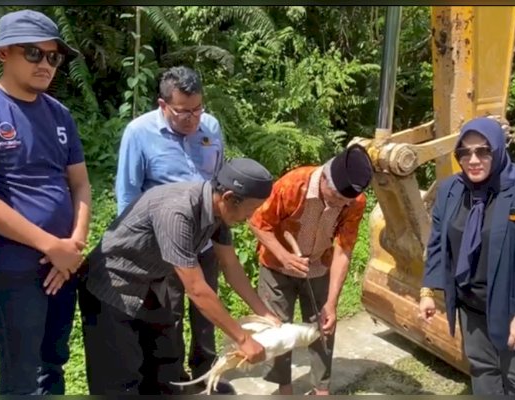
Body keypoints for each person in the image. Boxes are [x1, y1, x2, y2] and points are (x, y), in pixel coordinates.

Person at [78, 158, 281, 395]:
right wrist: (243, 339)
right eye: (250, 209)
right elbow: (196, 289)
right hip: (112, 288)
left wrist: (264, 313)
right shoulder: (177, 211)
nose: (249, 217)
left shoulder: (219, 212)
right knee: (120, 379)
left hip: (151, 287)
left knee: (164, 366)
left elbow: (230, 264)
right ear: (227, 197)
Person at [0, 10, 91, 395]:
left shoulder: (60, 115)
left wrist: (73, 245)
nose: (46, 64)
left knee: (53, 364)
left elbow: (81, 185)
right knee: (21, 375)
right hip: (14, 268)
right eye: (33, 53)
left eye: (53, 56)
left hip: (63, 266)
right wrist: (50, 246)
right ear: (4, 53)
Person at [418, 117, 515, 395]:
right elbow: (438, 242)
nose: (473, 159)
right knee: (482, 369)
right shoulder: (451, 189)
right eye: (465, 152)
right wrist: (428, 289)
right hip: (474, 307)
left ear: (498, 150)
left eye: (483, 151)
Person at [115, 66, 227, 393]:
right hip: (164, 248)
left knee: (206, 311)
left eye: (197, 109)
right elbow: (128, 195)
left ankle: (207, 376)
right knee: (169, 317)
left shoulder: (211, 127)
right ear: (163, 105)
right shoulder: (139, 133)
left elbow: (217, 182)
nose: (192, 118)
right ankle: (174, 380)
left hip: (204, 240)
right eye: (182, 112)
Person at [248, 144, 373, 395]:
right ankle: (284, 387)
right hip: (276, 267)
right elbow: (258, 222)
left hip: (319, 267)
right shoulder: (293, 184)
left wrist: (333, 302)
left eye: (345, 200)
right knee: (277, 330)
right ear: (324, 177)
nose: (340, 204)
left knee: (324, 326)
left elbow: (343, 250)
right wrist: (284, 256)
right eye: (336, 197)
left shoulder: (354, 201)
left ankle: (322, 388)